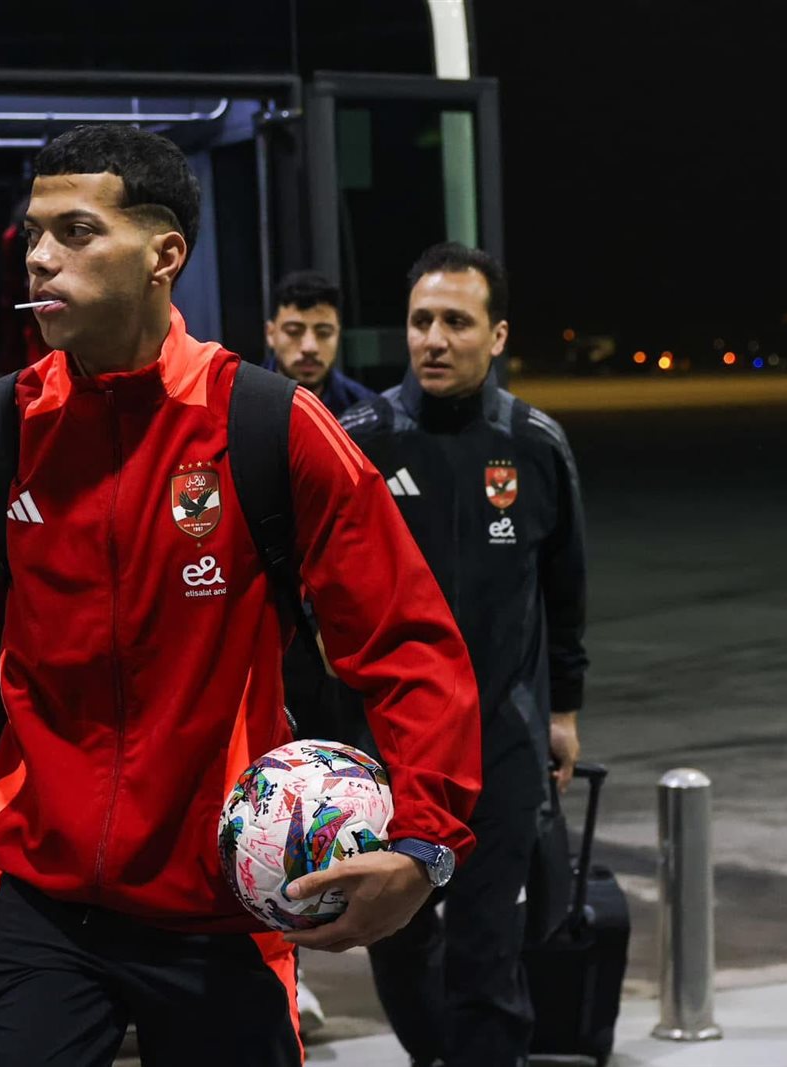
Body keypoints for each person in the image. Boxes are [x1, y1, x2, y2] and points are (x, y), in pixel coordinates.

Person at [0, 124, 482, 1066]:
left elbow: (408, 641)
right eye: (34, 232)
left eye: (77, 231)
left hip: (220, 904)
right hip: (37, 897)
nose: (39, 257)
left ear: (164, 254)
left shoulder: (268, 426)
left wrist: (425, 843)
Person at [335, 242, 589, 1067]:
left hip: (500, 739)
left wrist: (563, 711)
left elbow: (565, 590)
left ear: (498, 334)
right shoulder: (360, 441)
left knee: (489, 951)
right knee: (398, 936)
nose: (434, 339)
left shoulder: (535, 444)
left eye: (456, 321)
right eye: (420, 321)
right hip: (389, 748)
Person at [261, 269, 378, 417]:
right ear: (270, 334)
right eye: (294, 332)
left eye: (324, 333)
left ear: (338, 335)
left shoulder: (366, 411)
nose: (310, 347)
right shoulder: (240, 404)